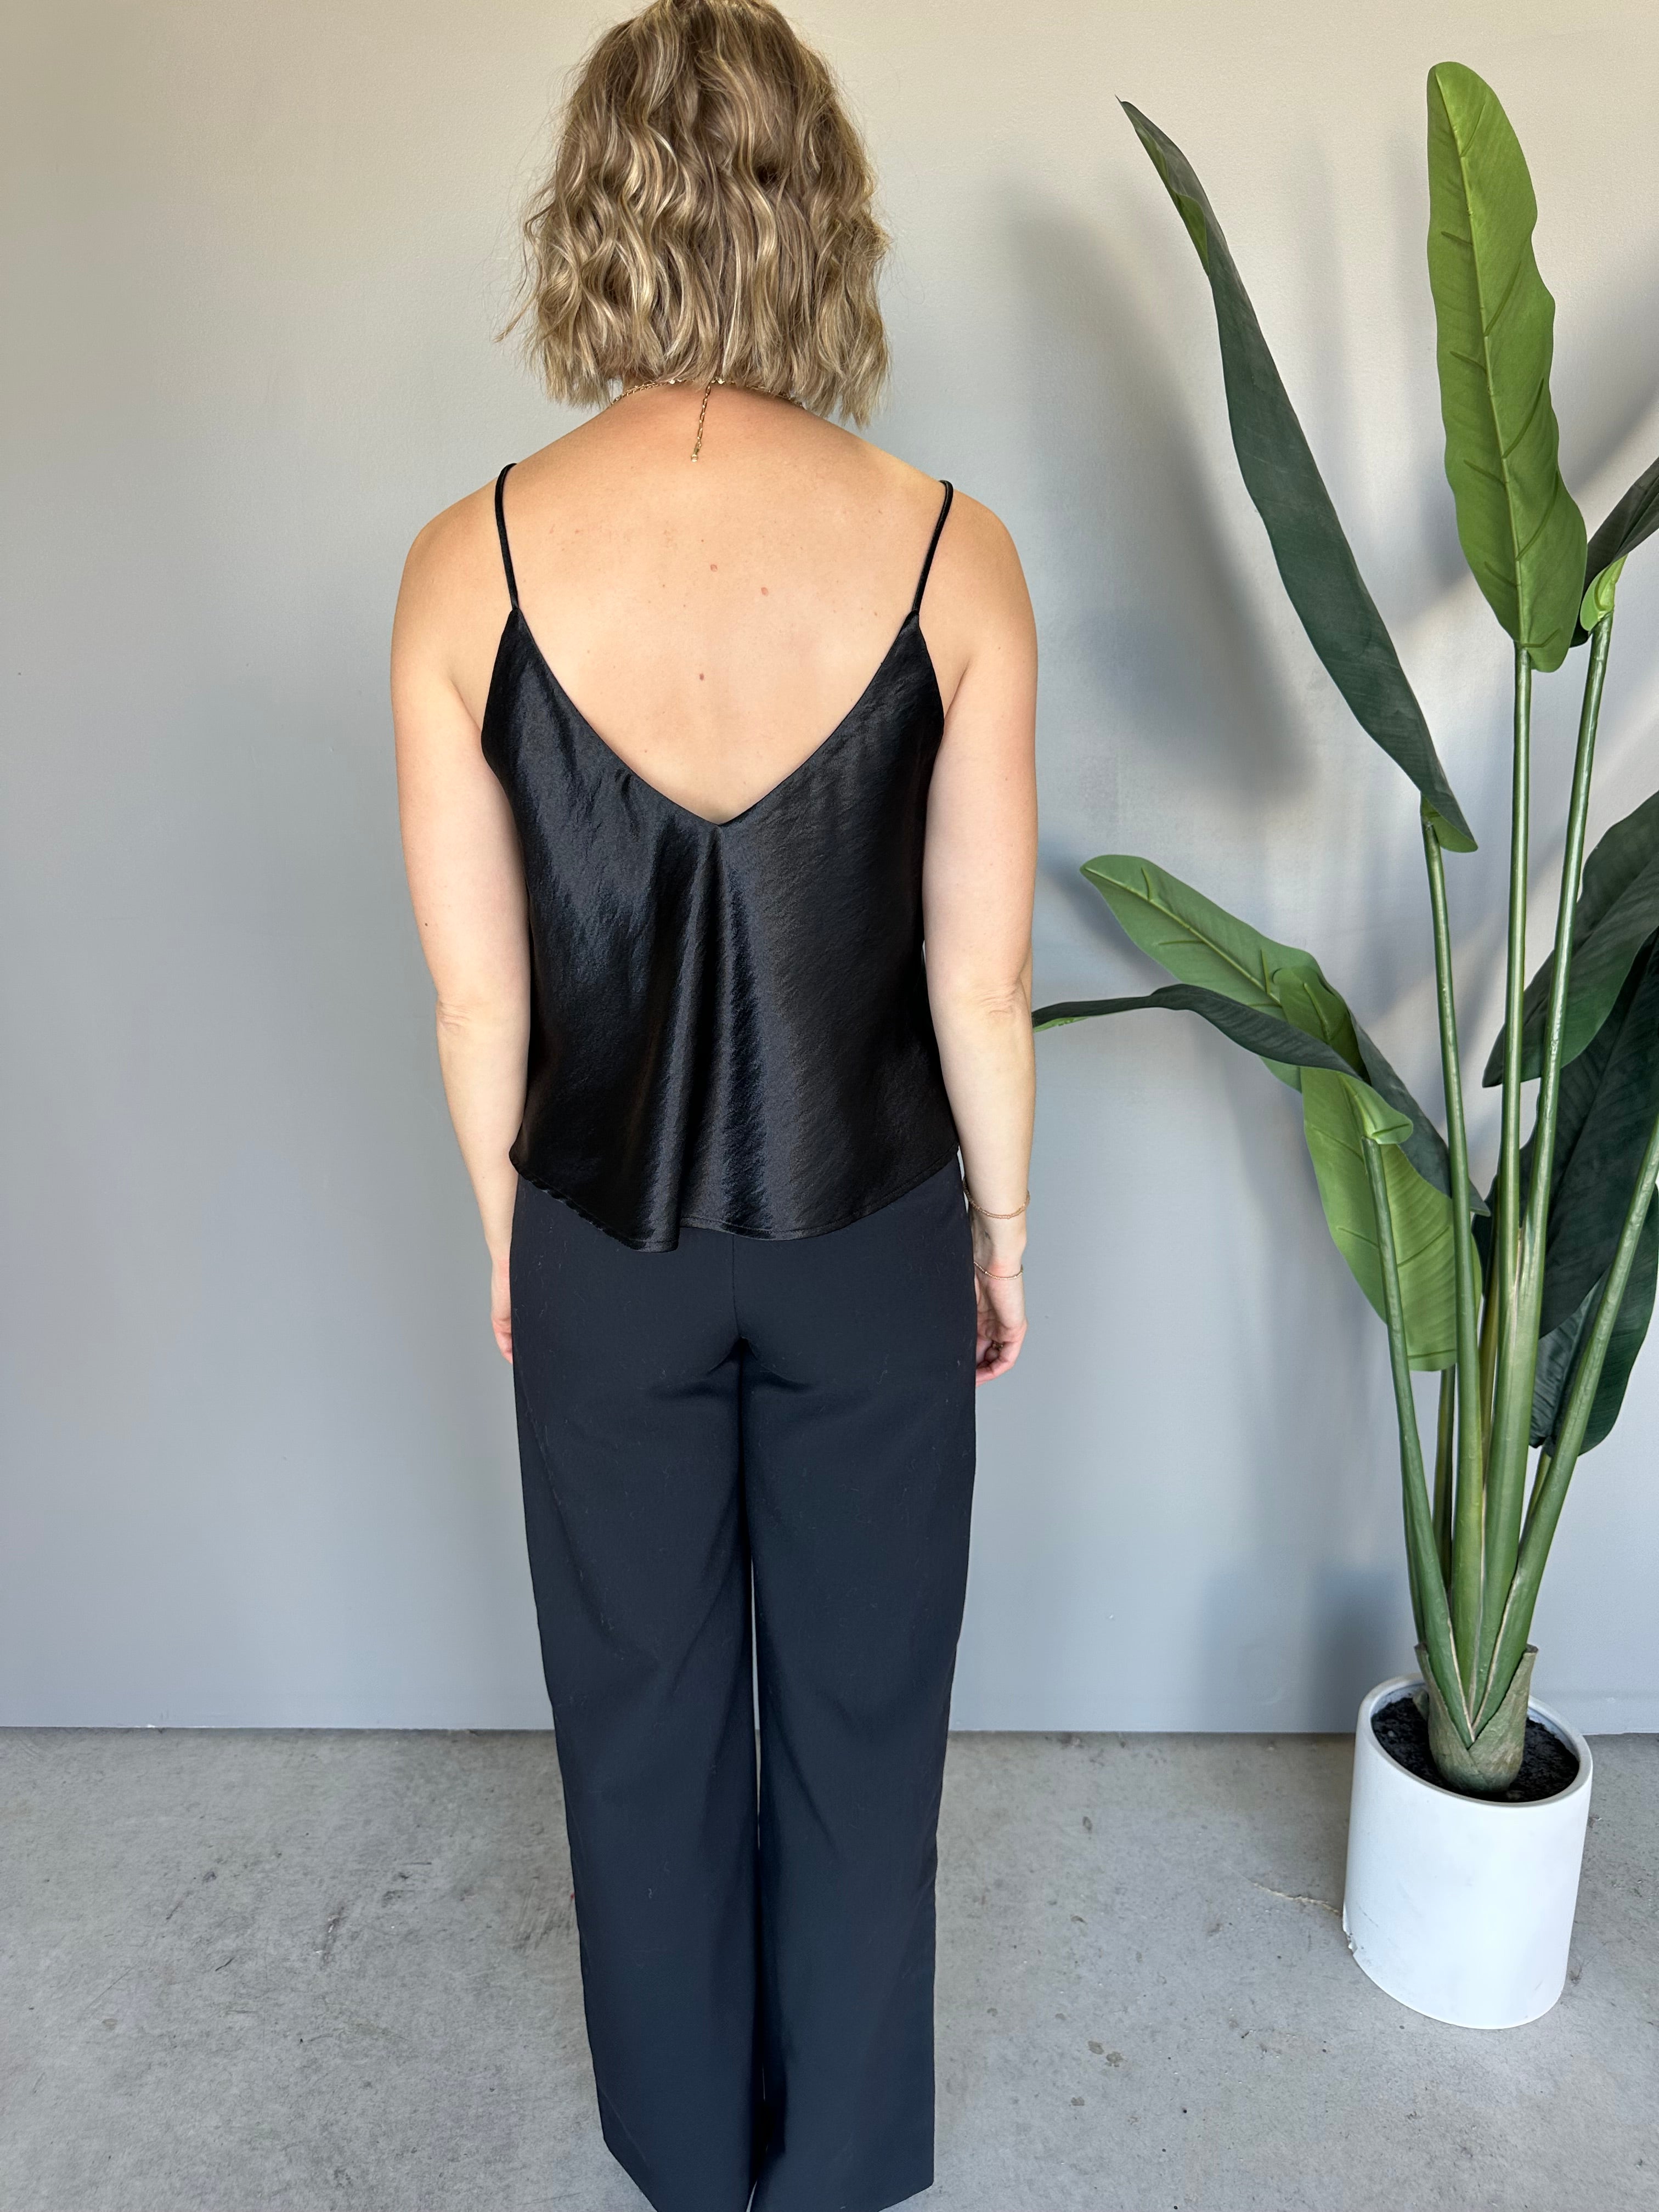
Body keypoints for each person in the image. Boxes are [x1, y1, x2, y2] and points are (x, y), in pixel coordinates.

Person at [390, 2, 1036, 2204]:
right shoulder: (953, 552)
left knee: (638, 1720)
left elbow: (480, 997)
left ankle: (684, 2153)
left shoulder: (465, 564)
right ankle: (834, 2163)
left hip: (602, 1244)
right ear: (819, 216)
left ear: (597, 215)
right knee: (863, 1724)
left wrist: (511, 1238)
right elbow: (979, 975)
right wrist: (1005, 1231)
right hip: (872, 1239)